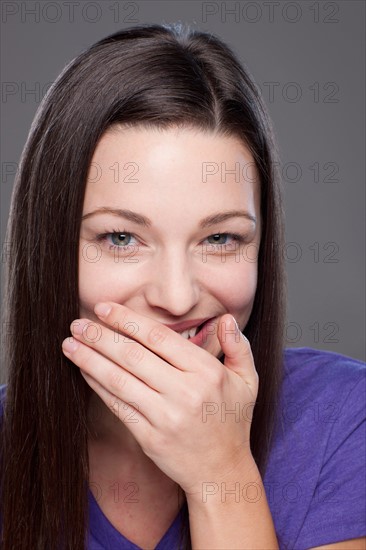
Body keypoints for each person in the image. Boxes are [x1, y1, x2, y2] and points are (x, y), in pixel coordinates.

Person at [0, 22, 364, 550]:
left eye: (219, 237)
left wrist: (221, 476)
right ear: (48, 244)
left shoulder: (345, 419)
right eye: (121, 237)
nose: (176, 298)